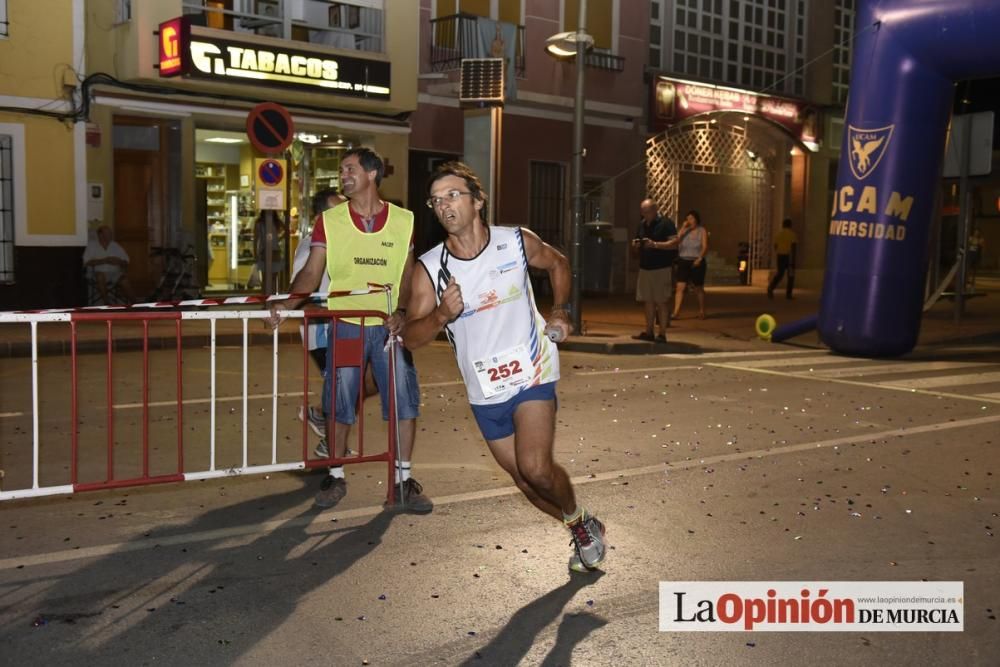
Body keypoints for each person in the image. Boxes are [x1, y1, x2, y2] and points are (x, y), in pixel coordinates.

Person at [403, 161, 607, 573]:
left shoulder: (514, 241)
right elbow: (409, 337)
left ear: (478, 201)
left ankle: (575, 516)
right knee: (525, 482)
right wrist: (441, 315)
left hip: (532, 372)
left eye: (453, 195)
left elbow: (558, 264)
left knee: (536, 466)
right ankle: (581, 522)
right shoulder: (430, 268)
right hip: (485, 390)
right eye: (436, 200)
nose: (444, 205)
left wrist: (562, 311)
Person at [267, 147, 431, 513]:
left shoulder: (404, 220)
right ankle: (335, 475)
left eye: (349, 168)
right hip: (345, 325)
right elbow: (311, 272)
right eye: (342, 170)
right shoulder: (330, 221)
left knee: (404, 403)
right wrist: (287, 303)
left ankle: (404, 481)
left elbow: (406, 274)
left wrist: (403, 312)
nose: (343, 175)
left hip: (390, 329)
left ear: (372, 174)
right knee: (339, 406)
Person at [630, 198, 677, 343]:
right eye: (642, 212)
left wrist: (655, 244)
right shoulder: (642, 224)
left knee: (661, 301)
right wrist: (635, 245)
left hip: (661, 267)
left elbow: (675, 243)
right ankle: (649, 331)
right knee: (648, 301)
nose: (645, 215)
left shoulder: (666, 223)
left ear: (655, 210)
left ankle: (662, 333)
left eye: (647, 212)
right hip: (645, 267)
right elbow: (637, 241)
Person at [668, 210, 708, 319]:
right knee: (680, 287)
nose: (689, 220)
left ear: (696, 219)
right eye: (688, 218)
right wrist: (683, 228)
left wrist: (700, 258)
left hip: (696, 261)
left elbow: (704, 246)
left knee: (698, 288)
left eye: (691, 218)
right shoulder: (684, 231)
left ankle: (702, 311)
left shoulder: (702, 230)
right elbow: (676, 240)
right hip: (683, 260)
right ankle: (676, 312)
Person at [83, 225, 135, 304]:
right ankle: (107, 303)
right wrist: (105, 260)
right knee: (100, 276)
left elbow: (126, 261)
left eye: (110, 233)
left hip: (114, 272)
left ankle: (135, 304)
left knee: (124, 280)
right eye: (108, 233)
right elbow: (86, 262)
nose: (110, 235)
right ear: (100, 235)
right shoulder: (92, 245)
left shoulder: (115, 245)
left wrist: (119, 261)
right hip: (97, 272)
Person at [253, 210, 287, 292]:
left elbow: (256, 240)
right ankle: (271, 300)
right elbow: (286, 229)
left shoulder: (259, 223)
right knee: (272, 279)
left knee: (266, 279)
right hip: (273, 251)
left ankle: (266, 300)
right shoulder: (275, 222)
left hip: (266, 252)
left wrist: (255, 254)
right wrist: (278, 239)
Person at [767, 218, 798, 300]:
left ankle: (771, 287)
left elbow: (775, 246)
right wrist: (794, 259)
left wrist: (779, 251)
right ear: (790, 225)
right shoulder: (792, 234)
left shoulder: (779, 234)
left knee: (780, 274)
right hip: (789, 256)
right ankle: (788, 294)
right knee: (790, 276)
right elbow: (793, 247)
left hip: (780, 256)